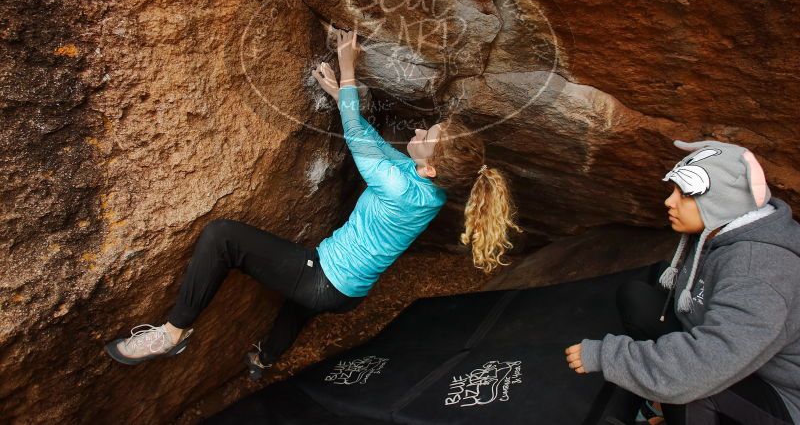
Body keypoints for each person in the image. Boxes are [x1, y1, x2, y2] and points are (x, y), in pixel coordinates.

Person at [104, 28, 522, 379]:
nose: (419, 128)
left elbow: (358, 136)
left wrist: (348, 66)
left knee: (222, 237)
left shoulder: (399, 186)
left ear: (431, 167)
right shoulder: (430, 190)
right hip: (348, 293)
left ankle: (170, 335)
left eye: (427, 136)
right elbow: (375, 146)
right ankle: (264, 359)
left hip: (325, 280)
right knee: (300, 304)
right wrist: (342, 95)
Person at [565, 139, 800, 424]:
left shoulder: (758, 270)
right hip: (745, 359)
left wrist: (607, 355)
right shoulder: (716, 233)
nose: (669, 201)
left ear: (722, 202)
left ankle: (675, 408)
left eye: (685, 193)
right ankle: (664, 404)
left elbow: (705, 366)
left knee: (692, 390)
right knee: (638, 300)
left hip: (784, 399)